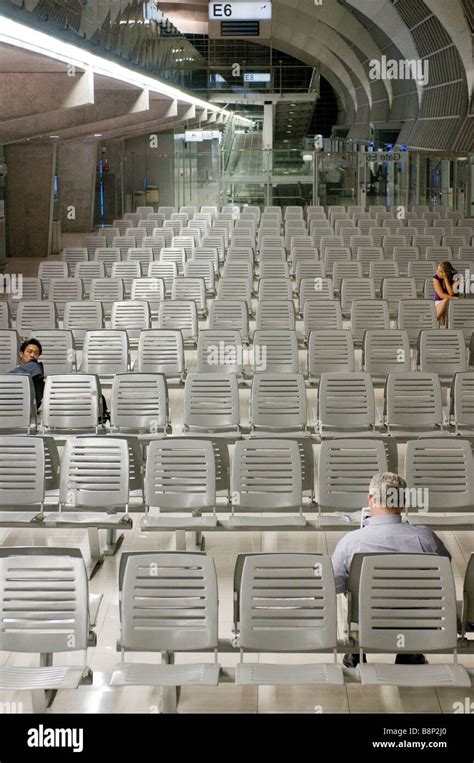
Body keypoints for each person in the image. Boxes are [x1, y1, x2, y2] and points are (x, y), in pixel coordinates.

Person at [331, 471, 451, 668]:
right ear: (402, 502)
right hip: (416, 619)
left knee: (342, 594)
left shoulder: (350, 542)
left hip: (367, 618)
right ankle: (411, 652)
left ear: (371, 499)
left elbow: (335, 584)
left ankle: (355, 650)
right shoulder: (426, 538)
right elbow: (443, 571)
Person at [8, 338, 45, 410]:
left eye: (36, 353)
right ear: (21, 354)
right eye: (29, 352)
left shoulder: (35, 366)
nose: (32, 355)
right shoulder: (21, 369)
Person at [433, 261, 460, 327]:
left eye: (439, 271)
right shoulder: (435, 278)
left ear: (446, 272)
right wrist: (453, 298)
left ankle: (433, 322)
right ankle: (441, 327)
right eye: (437, 270)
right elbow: (441, 295)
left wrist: (445, 278)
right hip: (439, 302)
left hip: (453, 303)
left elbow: (451, 292)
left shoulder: (456, 277)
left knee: (446, 300)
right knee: (445, 301)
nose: (437, 272)